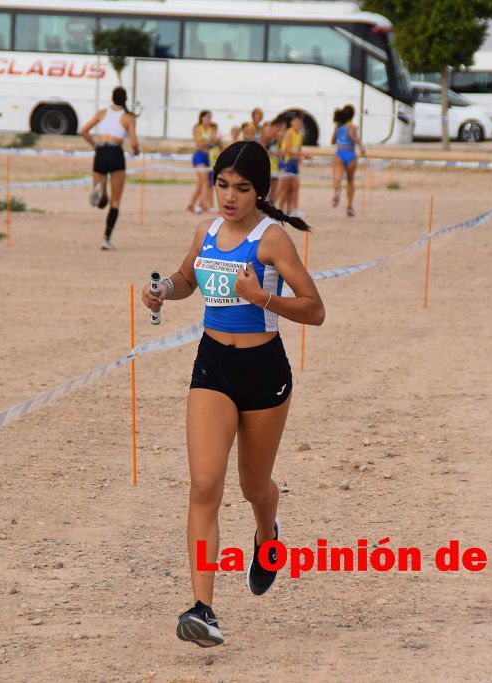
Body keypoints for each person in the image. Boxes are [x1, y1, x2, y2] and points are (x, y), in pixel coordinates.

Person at [141, 141, 325, 648]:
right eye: (222, 184)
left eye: (242, 188)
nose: (229, 196)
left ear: (259, 192)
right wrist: (163, 291)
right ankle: (203, 607)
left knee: (253, 485)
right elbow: (185, 279)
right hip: (213, 364)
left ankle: (268, 534)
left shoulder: (273, 241)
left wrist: (262, 297)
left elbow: (315, 309)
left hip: (264, 370)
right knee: (204, 486)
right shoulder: (207, 231)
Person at [79, 86, 140, 250]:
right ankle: (106, 237)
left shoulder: (102, 112)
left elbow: (83, 130)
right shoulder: (128, 117)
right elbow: (133, 143)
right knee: (115, 201)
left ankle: (101, 190)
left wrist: (95, 146)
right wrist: (136, 150)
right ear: (125, 99)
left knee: (101, 203)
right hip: (115, 153)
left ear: (112, 98)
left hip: (101, 152)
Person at [331, 105, 365, 217]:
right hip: (350, 153)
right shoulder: (353, 127)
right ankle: (349, 206)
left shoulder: (338, 127)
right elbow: (351, 135)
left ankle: (337, 192)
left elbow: (332, 141)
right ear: (352, 115)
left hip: (340, 152)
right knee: (350, 181)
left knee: (337, 177)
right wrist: (361, 145)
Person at [277, 114, 307, 217]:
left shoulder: (299, 134)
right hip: (288, 162)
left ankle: (292, 209)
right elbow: (288, 150)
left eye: (299, 122)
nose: (298, 124)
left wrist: (301, 157)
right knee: (285, 187)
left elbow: (298, 149)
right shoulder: (289, 133)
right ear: (292, 122)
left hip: (294, 162)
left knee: (295, 187)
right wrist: (302, 155)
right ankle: (280, 209)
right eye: (296, 122)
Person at [188, 111, 215, 214]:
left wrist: (209, 143)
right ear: (202, 118)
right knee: (204, 179)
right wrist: (209, 142)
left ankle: (190, 205)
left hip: (206, 156)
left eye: (210, 117)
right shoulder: (198, 129)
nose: (209, 119)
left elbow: (214, 142)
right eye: (207, 117)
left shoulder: (210, 129)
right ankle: (202, 205)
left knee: (201, 183)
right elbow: (199, 144)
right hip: (199, 155)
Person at [261, 117, 284, 204]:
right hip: (266, 168)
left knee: (274, 192)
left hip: (275, 167)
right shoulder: (263, 141)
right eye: (267, 130)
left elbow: (280, 154)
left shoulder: (277, 141)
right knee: (265, 191)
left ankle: (271, 211)